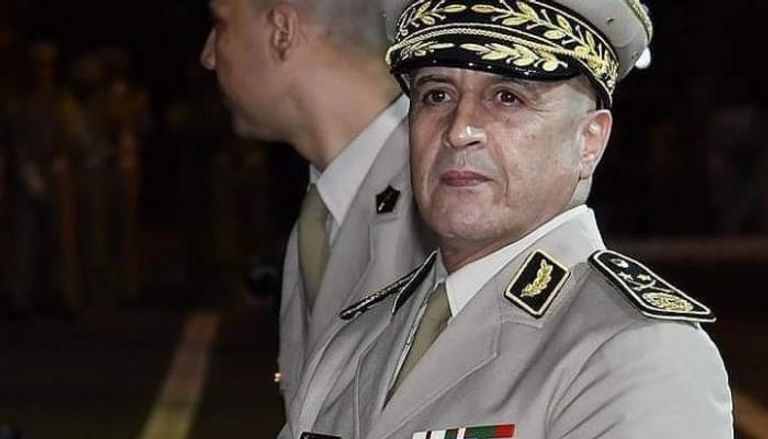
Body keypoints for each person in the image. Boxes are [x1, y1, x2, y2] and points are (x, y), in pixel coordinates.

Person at [285, 0, 734, 437]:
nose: (459, 129)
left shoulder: (636, 352)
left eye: (507, 97)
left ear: (589, 141)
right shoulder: (352, 340)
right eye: (436, 95)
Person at [198, 0, 432, 417]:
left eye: (222, 24)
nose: (209, 56)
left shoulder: (444, 208)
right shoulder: (326, 206)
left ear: (282, 31)